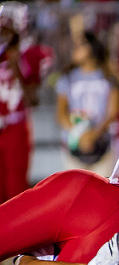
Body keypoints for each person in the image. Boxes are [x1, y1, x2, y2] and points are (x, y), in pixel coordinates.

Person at [0, 1, 53, 205]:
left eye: (8, 25)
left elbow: (33, 99)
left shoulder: (33, 54)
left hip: (16, 126)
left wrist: (17, 68)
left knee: (15, 191)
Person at [56, 32, 119, 177]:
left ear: (92, 47)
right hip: (74, 144)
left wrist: (93, 135)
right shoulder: (67, 78)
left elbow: (112, 114)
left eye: (79, 45)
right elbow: (61, 114)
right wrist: (80, 135)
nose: (74, 49)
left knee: (101, 194)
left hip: (102, 143)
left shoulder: (108, 77)